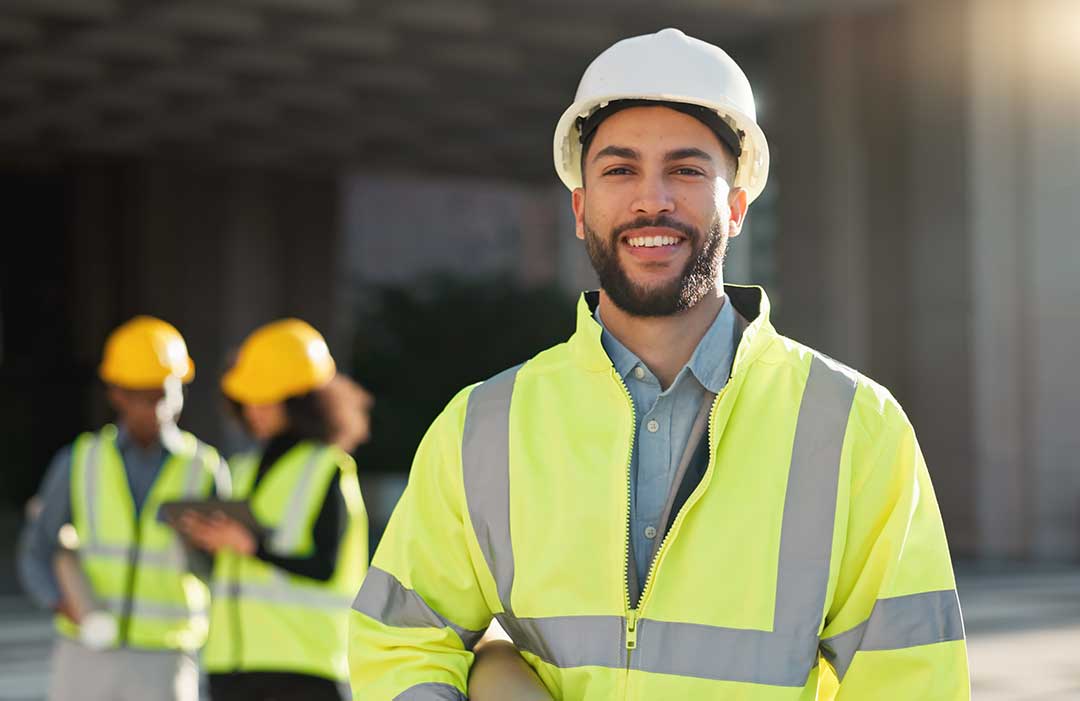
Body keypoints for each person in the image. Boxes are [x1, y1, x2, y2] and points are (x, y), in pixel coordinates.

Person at [348, 28, 970, 700]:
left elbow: (912, 680)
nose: (652, 199)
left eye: (686, 169)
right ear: (581, 210)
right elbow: (402, 638)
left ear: (735, 206)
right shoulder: (480, 427)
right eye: (620, 170)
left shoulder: (857, 426)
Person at [17, 316, 228, 701]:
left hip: (166, 655)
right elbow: (38, 548)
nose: (158, 409)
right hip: (86, 650)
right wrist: (61, 602)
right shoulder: (79, 461)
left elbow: (222, 570)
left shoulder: (205, 468)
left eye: (166, 394)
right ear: (117, 394)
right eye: (145, 397)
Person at [179, 318, 368, 701]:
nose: (253, 410)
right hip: (231, 666)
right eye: (248, 399)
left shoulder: (328, 469)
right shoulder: (242, 470)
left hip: (304, 669)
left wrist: (251, 547)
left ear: (301, 402)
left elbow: (325, 567)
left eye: (265, 399)